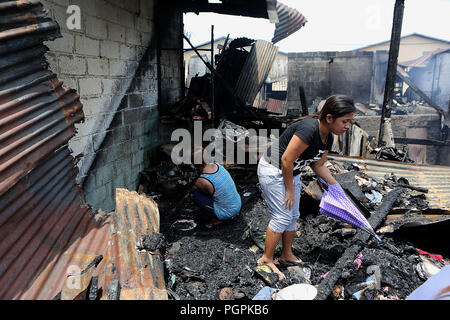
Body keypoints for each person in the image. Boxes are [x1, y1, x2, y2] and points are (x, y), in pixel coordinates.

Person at [257, 94, 356, 280]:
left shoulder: (328, 138)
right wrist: (289, 191)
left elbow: (318, 165)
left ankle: (286, 254)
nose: (347, 126)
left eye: (349, 122)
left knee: (294, 215)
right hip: (273, 170)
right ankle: (266, 259)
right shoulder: (309, 129)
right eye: (345, 121)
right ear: (329, 118)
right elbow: (286, 159)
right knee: (282, 215)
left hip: (291, 172)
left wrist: (336, 187)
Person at [191, 149, 242, 228]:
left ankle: (217, 219)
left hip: (227, 213)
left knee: (195, 194)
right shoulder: (218, 165)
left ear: (194, 163)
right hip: (238, 204)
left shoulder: (202, 180)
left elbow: (207, 193)